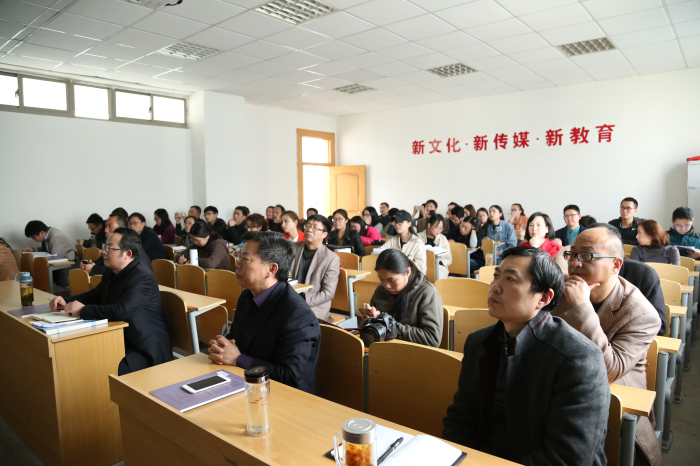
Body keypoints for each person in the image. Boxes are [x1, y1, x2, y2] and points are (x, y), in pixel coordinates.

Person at [443, 247, 609, 465]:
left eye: (510, 279)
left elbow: (567, 457)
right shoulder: (478, 343)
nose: (495, 287)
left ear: (544, 297)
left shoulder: (579, 358)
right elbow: (460, 421)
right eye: (496, 276)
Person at [553, 228, 662, 465]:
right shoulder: (558, 289)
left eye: (587, 256)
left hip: (614, 405)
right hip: (557, 391)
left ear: (616, 265)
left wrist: (582, 308)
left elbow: (610, 370)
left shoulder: (641, 314)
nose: (575, 264)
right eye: (572, 255)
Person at [207, 231, 321, 394]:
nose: (237, 264)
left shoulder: (297, 314)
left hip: (287, 397)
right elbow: (236, 340)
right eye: (239, 258)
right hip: (249, 384)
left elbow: (290, 376)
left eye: (245, 259)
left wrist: (237, 359)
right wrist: (222, 348)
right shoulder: (247, 296)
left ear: (271, 269)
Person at [51, 228, 170, 375]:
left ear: (128, 254)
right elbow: (95, 295)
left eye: (110, 248)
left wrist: (82, 310)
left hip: (144, 349)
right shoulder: (112, 272)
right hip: (120, 338)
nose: (104, 252)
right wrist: (65, 301)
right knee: (80, 357)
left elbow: (122, 311)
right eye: (104, 247)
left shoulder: (141, 277)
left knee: (99, 370)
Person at [361, 249, 443, 347]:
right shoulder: (380, 290)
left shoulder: (427, 293)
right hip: (383, 350)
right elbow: (367, 333)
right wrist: (370, 320)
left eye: (392, 280)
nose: (386, 286)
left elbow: (432, 339)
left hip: (412, 352)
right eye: (381, 279)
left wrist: (390, 326)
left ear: (408, 272)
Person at [289, 215, 340, 321]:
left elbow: (328, 293)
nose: (309, 229)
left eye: (315, 227)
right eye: (308, 225)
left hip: (313, 306)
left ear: (324, 234)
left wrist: (302, 300)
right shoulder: (293, 248)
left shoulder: (331, 258)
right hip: (290, 300)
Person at [82, 214, 152, 276]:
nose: (105, 230)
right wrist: (87, 264)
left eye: (110, 226)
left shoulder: (129, 245)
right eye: (106, 226)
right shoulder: (112, 246)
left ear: (122, 228)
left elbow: (119, 270)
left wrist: (94, 269)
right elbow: (101, 261)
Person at [22, 221, 78, 286]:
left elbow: (54, 256)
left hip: (69, 266)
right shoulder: (47, 235)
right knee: (37, 269)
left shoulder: (56, 236)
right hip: (60, 265)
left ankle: (44, 289)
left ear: (41, 233)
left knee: (40, 271)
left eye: (34, 237)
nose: (33, 239)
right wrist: (33, 249)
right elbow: (49, 248)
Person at [416, 213, 452, 279]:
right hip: (422, 266)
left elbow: (449, 259)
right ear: (429, 225)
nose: (439, 231)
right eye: (437, 227)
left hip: (438, 267)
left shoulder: (443, 239)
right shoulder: (418, 237)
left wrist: (439, 261)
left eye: (441, 228)